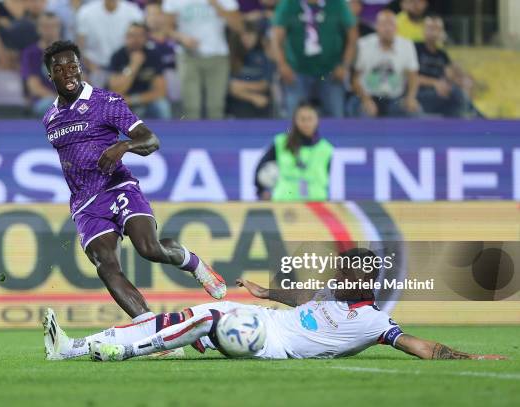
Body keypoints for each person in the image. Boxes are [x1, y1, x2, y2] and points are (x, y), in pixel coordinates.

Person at [41, 41, 227, 325]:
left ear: (81, 68)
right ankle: (156, 331)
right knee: (106, 265)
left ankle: (194, 263)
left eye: (73, 66)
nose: (68, 73)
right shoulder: (50, 119)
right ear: (50, 75)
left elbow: (150, 140)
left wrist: (122, 147)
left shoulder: (105, 102)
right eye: (59, 68)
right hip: (85, 204)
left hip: (117, 186)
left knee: (148, 248)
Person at [42, 248, 507, 361]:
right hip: (263, 318)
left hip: (269, 342)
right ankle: (74, 348)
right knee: (179, 316)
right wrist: (267, 293)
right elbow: (305, 298)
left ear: (364, 280)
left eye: (345, 271)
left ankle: (124, 351)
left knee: (203, 317)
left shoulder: (372, 320)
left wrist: (470, 357)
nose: (336, 274)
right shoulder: (336, 294)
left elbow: (418, 346)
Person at [272, 0, 357, 118]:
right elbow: (276, 39)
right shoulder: (288, 4)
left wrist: (344, 65)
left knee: (336, 118)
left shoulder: (337, 3)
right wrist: (282, 65)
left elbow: (352, 37)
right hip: (297, 71)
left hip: (331, 71)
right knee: (293, 118)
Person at [163, 0, 243, 119]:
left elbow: (238, 26)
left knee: (216, 107)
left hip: (217, 55)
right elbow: (166, 28)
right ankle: (190, 137)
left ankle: (217, 137)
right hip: (188, 56)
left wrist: (217, 5)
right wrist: (182, 37)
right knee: (191, 107)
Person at [254, 102, 333, 201]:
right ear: (295, 121)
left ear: (317, 121)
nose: (306, 123)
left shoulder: (326, 149)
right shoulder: (281, 142)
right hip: (285, 204)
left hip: (316, 205)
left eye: (310, 119)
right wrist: (261, 191)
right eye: (302, 119)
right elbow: (260, 169)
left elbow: (326, 177)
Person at [349, 10, 421, 117]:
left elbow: (413, 77)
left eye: (391, 24)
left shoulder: (407, 45)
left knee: (415, 112)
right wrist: (366, 100)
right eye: (383, 24)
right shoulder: (363, 45)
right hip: (367, 95)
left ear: (397, 28)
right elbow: (354, 79)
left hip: (395, 99)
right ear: (376, 27)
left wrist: (410, 98)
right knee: (363, 115)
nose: (387, 29)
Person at [109, 23, 171, 119]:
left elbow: (161, 92)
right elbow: (116, 90)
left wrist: (134, 99)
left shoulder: (153, 56)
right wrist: (133, 66)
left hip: (145, 101)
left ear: (146, 38)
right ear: (126, 37)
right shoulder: (118, 56)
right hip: (123, 103)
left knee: (162, 105)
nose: (136, 40)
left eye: (140, 36)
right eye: (132, 36)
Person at [76, 0, 143, 88]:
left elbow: (140, 41)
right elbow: (80, 47)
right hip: (94, 68)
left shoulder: (133, 11)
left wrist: (131, 67)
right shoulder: (85, 12)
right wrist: (91, 68)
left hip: (123, 67)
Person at [415, 15, 468, 118]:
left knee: (459, 95)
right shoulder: (415, 48)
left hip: (440, 93)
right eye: (431, 28)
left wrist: (460, 80)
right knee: (456, 96)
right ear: (423, 30)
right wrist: (435, 83)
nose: (434, 32)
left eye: (438, 29)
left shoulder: (442, 54)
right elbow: (410, 78)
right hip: (419, 93)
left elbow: (451, 76)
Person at [226, 20, 273, 118]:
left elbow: (265, 84)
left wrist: (242, 86)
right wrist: (252, 97)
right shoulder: (230, 57)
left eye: (251, 34)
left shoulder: (264, 56)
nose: (247, 38)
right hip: (236, 104)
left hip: (261, 102)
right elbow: (230, 88)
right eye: (244, 35)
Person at [21, 11, 62, 116]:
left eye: (53, 26)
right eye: (45, 26)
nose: (49, 30)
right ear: (38, 29)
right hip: (43, 101)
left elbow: (81, 81)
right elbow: (34, 87)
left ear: (59, 28)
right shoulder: (30, 53)